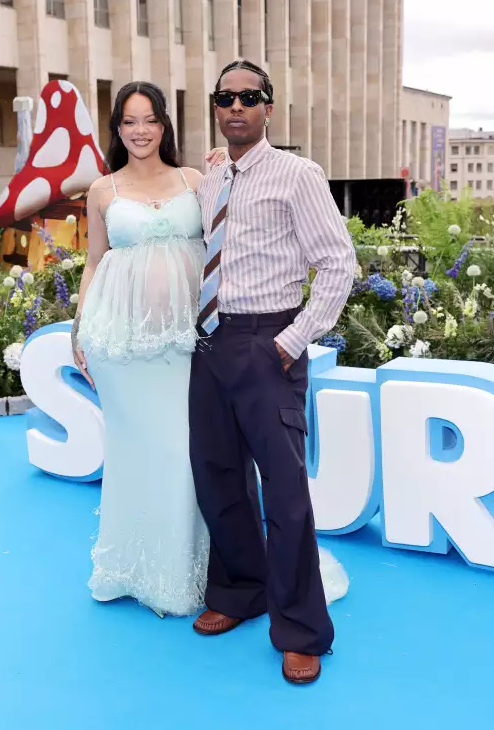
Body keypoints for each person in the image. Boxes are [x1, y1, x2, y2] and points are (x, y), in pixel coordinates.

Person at [189, 60, 356, 684]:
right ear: (216, 107)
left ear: (268, 106)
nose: (236, 107)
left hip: (268, 343)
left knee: (284, 493)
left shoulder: (298, 175)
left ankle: (301, 629)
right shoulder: (212, 177)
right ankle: (241, 591)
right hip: (209, 343)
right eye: (225, 97)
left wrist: (292, 340)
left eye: (249, 97)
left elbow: (338, 263)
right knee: (218, 477)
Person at [73, 82, 210, 616]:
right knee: (135, 454)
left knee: (185, 454)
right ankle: (133, 570)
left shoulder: (194, 180)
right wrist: (78, 328)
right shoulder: (102, 190)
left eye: (150, 119)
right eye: (129, 121)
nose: (140, 130)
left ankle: (187, 570)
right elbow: (94, 262)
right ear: (117, 129)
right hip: (121, 346)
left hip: (187, 342)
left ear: (164, 125)